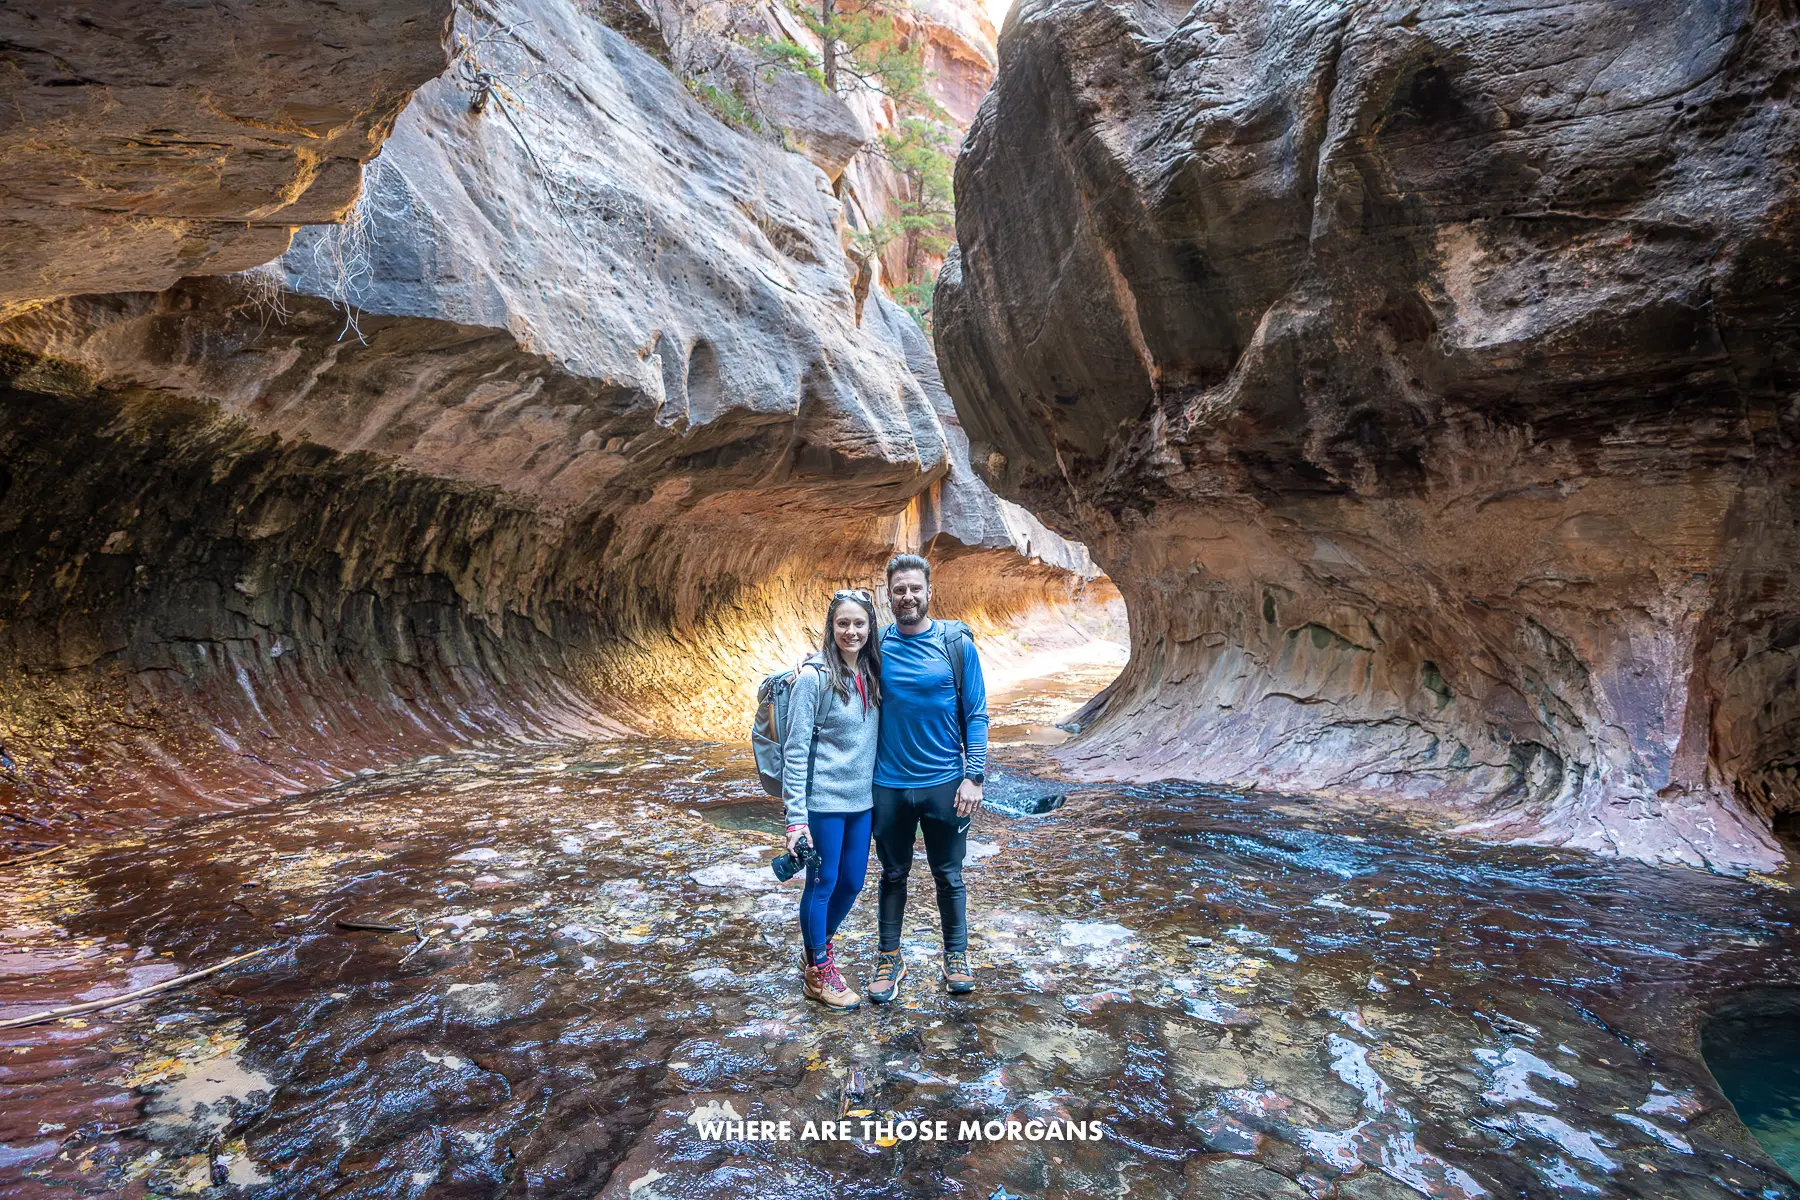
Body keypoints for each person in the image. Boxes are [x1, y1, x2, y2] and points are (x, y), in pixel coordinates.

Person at [866, 553, 988, 1003]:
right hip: (890, 785)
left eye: (915, 588)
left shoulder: (957, 646)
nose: (908, 597)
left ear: (929, 592)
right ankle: (889, 956)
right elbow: (838, 672)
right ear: (889, 596)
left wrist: (973, 776)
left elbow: (976, 714)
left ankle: (955, 955)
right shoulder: (875, 647)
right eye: (899, 590)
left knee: (949, 874)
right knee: (893, 873)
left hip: (945, 783)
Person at [782, 589, 883, 1010]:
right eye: (843, 623)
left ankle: (816, 950)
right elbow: (795, 747)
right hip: (823, 801)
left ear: (870, 627)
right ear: (831, 627)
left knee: (852, 883)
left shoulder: (873, 670)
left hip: (861, 803)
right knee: (822, 886)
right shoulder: (814, 678)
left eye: (859, 623)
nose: (851, 631)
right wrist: (795, 820)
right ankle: (819, 972)